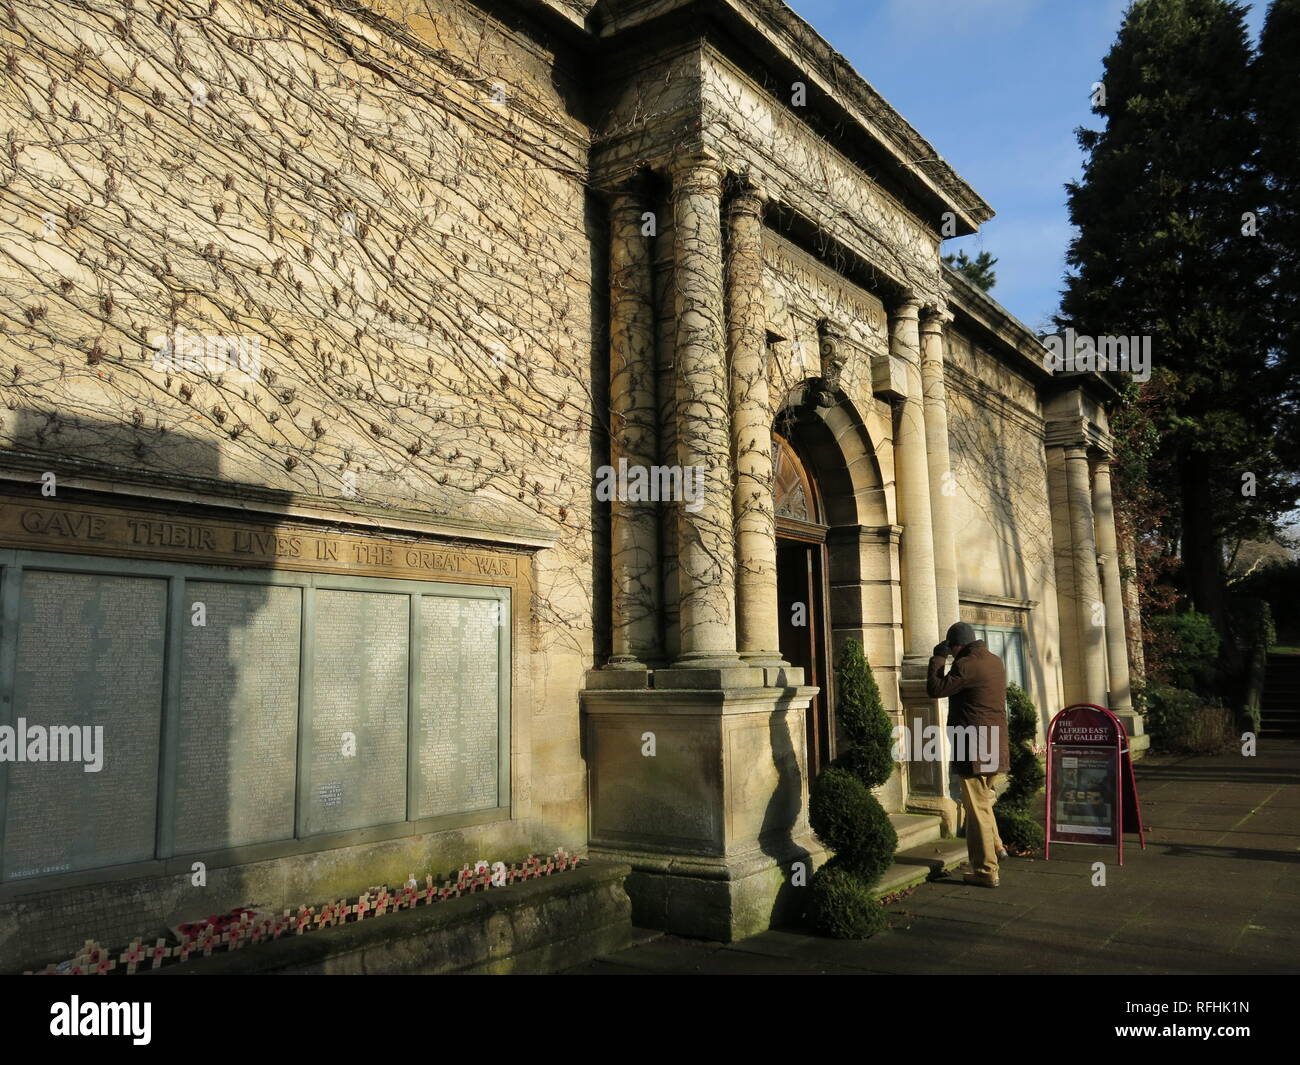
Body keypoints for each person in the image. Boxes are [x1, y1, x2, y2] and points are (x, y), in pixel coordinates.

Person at [926, 622, 1011, 887]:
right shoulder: (995, 661)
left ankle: (986, 871)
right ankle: (997, 846)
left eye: (951, 649)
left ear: (957, 646)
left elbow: (936, 689)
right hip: (995, 744)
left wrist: (938, 658)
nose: (951, 653)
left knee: (977, 811)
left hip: (974, 749)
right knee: (983, 801)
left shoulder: (966, 665)